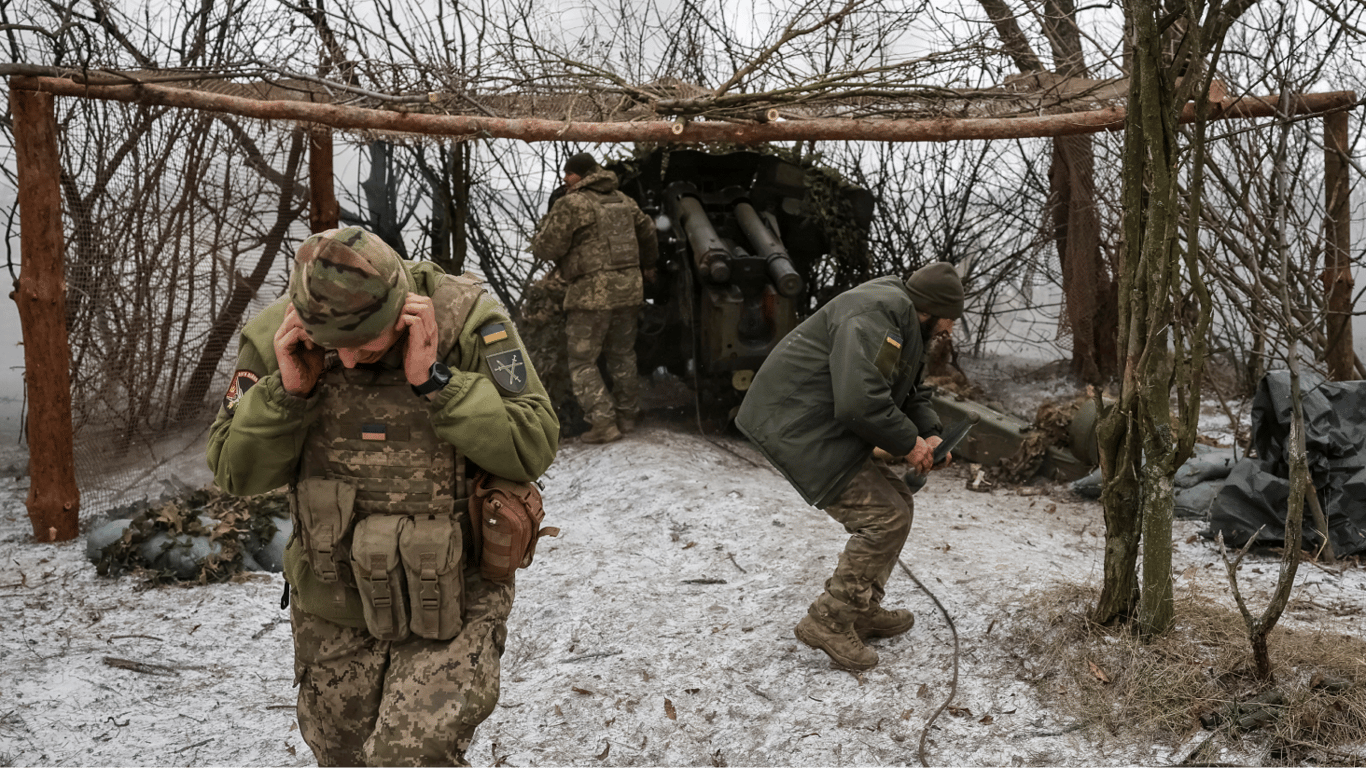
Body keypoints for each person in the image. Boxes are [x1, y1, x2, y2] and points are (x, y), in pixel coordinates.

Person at [206, 226, 559, 768]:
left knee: (408, 757)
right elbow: (234, 471)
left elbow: (533, 445)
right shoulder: (277, 334)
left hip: (455, 596)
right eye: (333, 349)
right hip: (333, 597)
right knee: (340, 755)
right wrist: (287, 393)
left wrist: (437, 381)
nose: (347, 361)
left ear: (404, 312)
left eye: (365, 344)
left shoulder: (467, 320)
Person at [734, 262, 964, 671]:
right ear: (930, 309)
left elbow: (910, 390)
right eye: (949, 318)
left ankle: (860, 608)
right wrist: (908, 445)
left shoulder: (903, 319)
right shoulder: (876, 318)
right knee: (884, 515)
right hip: (797, 423)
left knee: (899, 506)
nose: (950, 329)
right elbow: (860, 401)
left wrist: (929, 433)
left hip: (822, 421)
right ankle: (828, 620)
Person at [531, 152, 659, 444]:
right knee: (622, 354)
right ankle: (627, 417)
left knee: (582, 361)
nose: (564, 179)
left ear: (582, 174)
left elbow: (547, 248)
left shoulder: (572, 204)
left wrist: (544, 233)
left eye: (569, 173)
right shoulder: (624, 200)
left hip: (591, 295)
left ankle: (603, 422)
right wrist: (648, 265)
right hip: (629, 290)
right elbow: (648, 230)